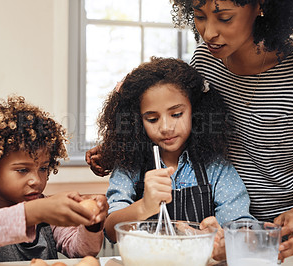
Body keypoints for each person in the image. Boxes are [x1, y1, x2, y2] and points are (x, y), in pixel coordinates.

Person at [87, 0, 293, 261]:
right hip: (226, 231)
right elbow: (177, 108)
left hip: (290, 227)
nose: (208, 33)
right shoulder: (207, 57)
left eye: (224, 18)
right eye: (199, 16)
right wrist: (121, 144)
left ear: (262, 6)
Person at [96, 57, 255, 260]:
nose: (165, 127)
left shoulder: (215, 167)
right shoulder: (130, 167)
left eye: (177, 114)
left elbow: (242, 226)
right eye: (152, 119)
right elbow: (111, 230)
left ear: (195, 112)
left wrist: (224, 240)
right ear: (136, 121)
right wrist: (144, 206)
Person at [0, 95, 108, 263]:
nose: (36, 180)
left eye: (43, 168)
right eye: (23, 170)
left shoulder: (47, 212)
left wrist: (92, 224)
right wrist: (34, 212)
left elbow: (80, 251)